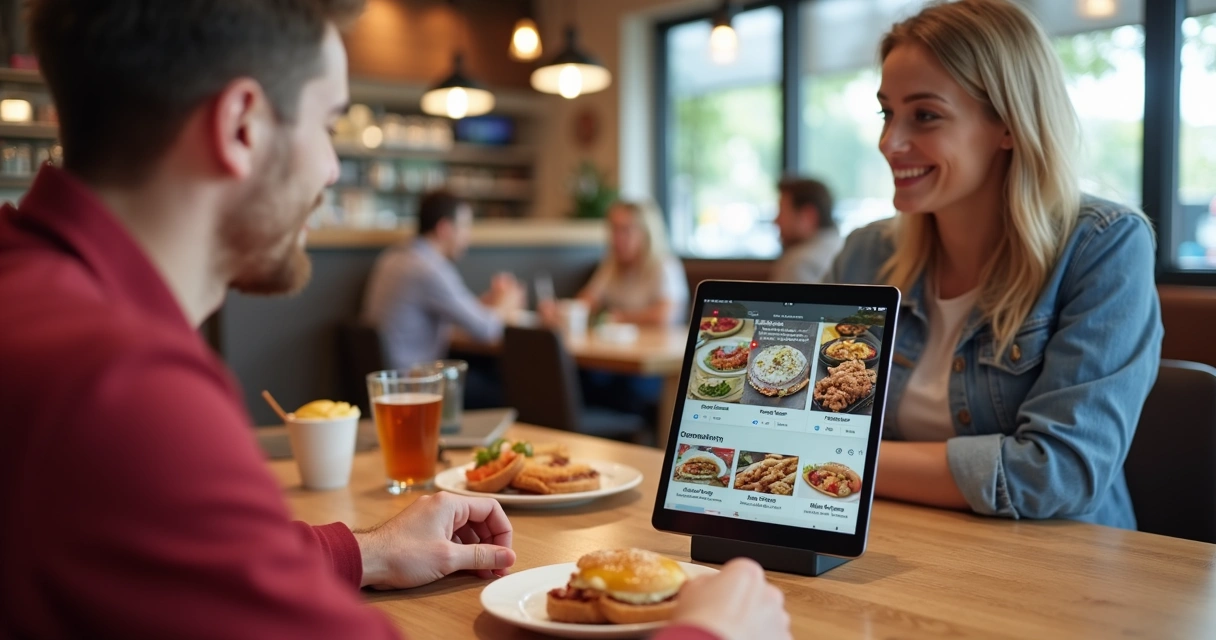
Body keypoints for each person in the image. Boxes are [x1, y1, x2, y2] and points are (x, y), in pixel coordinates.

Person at [0, 1, 789, 638]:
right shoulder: (121, 388)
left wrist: (364, 552)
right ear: (242, 125)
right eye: (329, 123)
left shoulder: (36, 302)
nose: (334, 167)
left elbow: (167, 564)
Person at [826, 0, 1162, 528]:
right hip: (901, 541)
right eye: (887, 112)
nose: (889, 142)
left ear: (1008, 123)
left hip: (1061, 571)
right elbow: (806, 418)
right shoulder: (868, 253)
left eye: (925, 115)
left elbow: (1060, 472)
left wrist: (832, 459)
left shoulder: (1104, 245)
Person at [362, 189, 525, 371]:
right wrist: (506, 302)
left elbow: (456, 310)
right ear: (444, 229)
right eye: (465, 227)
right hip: (415, 382)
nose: (468, 237)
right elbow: (487, 330)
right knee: (501, 386)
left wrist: (486, 304)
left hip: (388, 379)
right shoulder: (430, 269)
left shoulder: (392, 257)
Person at [577, 200, 689, 326]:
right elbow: (586, 302)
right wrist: (562, 311)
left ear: (647, 233)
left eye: (625, 230)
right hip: (622, 344)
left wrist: (620, 318)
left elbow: (664, 316)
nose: (617, 238)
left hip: (659, 344)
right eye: (614, 229)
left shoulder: (665, 266)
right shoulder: (612, 264)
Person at [771, 176, 843, 283]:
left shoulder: (798, 264)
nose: (776, 221)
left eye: (782, 211)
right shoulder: (845, 249)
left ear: (808, 215)